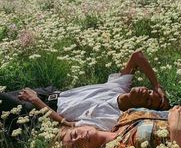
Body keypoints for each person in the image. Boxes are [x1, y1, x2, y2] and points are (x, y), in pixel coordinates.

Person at [0, 51, 170, 131]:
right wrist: (157, 86)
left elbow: (69, 125)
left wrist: (35, 101)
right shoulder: (120, 86)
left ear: (141, 110)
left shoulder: (111, 118)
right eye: (149, 93)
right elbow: (137, 57)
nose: (145, 94)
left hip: (41, 111)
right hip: (48, 93)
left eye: (148, 102)